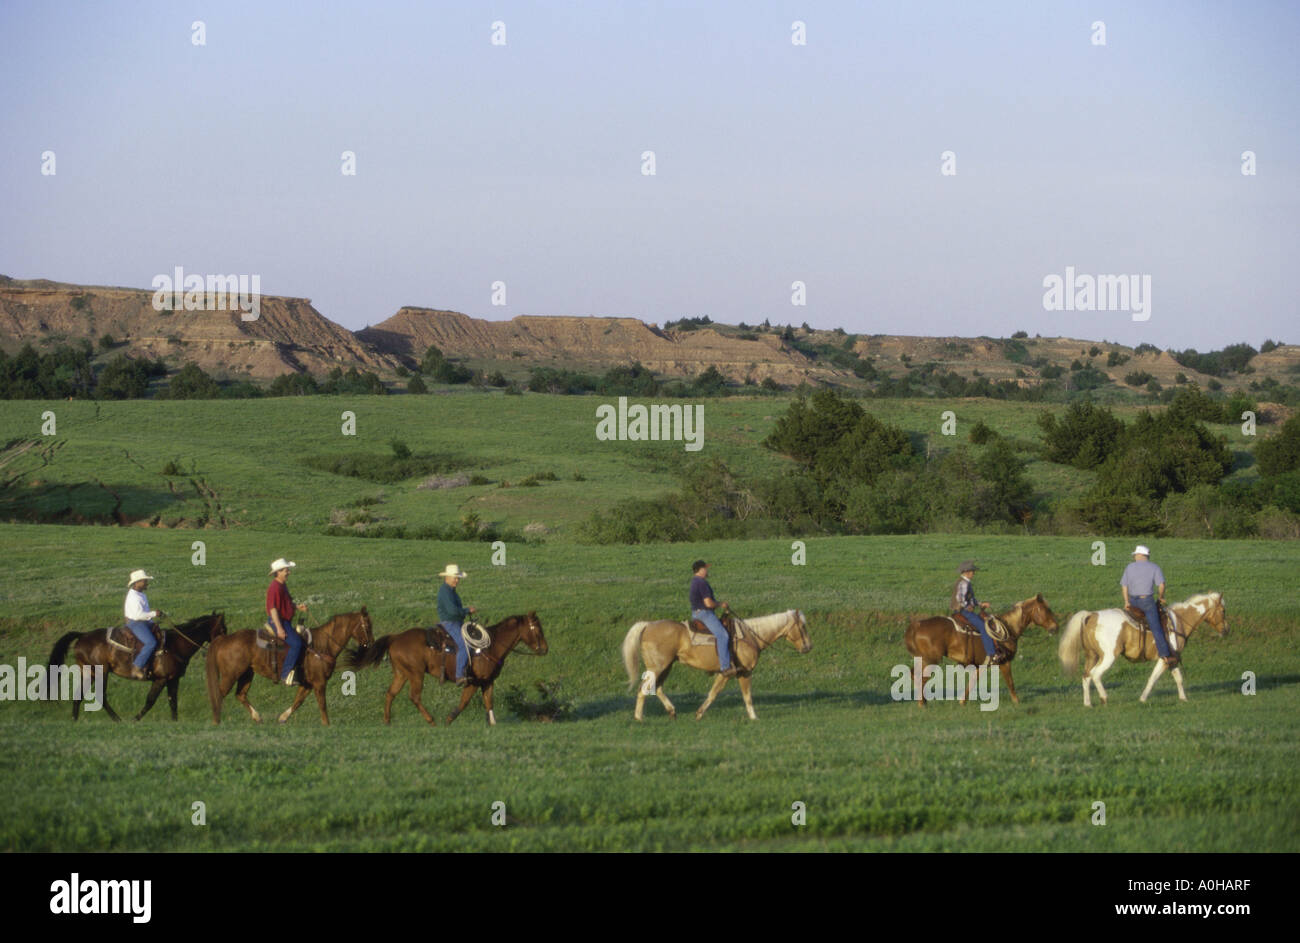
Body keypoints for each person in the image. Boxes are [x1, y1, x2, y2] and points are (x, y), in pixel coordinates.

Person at [1121, 544, 1178, 667]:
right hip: (1146, 601)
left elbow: (1124, 586)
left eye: (1135, 554)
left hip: (1132, 602)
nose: (1134, 556)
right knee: (1156, 627)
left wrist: (1126, 602)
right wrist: (1161, 597)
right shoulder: (1154, 567)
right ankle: (1165, 654)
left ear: (1140, 555)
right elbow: (1161, 585)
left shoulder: (1129, 567)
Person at [952, 561, 1007, 665]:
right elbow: (960, 598)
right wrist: (968, 606)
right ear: (967, 572)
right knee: (984, 626)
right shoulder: (964, 583)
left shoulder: (964, 582)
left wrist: (980, 604)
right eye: (972, 571)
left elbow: (970, 599)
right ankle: (992, 654)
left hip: (963, 609)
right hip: (964, 611)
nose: (974, 573)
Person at [690, 560, 736, 679]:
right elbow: (708, 603)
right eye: (705, 568)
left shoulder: (694, 581)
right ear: (700, 570)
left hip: (696, 613)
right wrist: (721, 604)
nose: (707, 570)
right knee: (723, 635)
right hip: (704, 613)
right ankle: (725, 667)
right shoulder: (702, 583)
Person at [267, 557, 308, 685]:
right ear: (278, 572)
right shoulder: (275, 588)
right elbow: (273, 609)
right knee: (296, 643)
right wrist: (279, 628)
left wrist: (297, 607)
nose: (288, 572)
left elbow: (287, 602)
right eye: (286, 570)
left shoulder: (282, 585)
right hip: (279, 622)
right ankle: (285, 674)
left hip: (285, 621)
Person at [436, 564, 476, 685]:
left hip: (456, 621)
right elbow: (452, 611)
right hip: (450, 622)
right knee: (464, 645)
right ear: (447, 577)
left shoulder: (451, 591)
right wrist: (466, 611)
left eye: (458, 578)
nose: (457, 580)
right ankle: (459, 675)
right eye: (455, 578)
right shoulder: (445, 591)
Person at [124, 569, 164, 680]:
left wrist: (152, 622)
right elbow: (138, 615)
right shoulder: (134, 597)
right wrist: (154, 614)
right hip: (135, 623)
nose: (146, 583)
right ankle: (137, 667)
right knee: (151, 642)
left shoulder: (141, 595)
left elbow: (145, 613)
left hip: (143, 621)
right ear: (137, 583)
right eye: (144, 581)